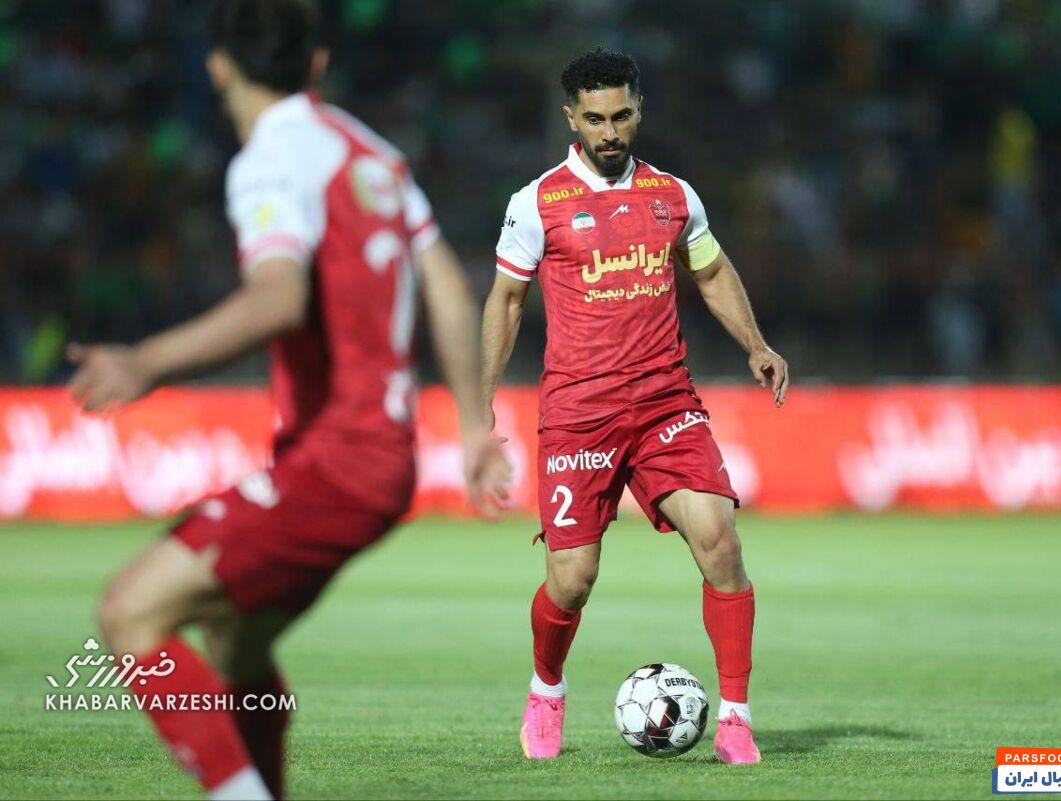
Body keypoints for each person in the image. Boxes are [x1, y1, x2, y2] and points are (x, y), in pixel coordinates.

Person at [67, 2, 508, 798]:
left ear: (218, 67)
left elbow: (277, 298)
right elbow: (446, 282)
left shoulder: (269, 161)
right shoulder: (371, 153)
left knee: (129, 613)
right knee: (235, 645)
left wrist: (147, 360)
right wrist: (476, 425)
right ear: (316, 64)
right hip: (381, 458)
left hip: (336, 459)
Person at [480, 46, 788, 765]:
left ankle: (735, 719)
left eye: (621, 116)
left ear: (639, 111)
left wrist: (755, 343)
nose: (610, 131)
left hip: (664, 405)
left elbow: (711, 270)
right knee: (572, 579)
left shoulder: (673, 195)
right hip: (579, 413)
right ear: (571, 118)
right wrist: (481, 395)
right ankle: (546, 690)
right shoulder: (537, 202)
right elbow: (507, 300)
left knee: (720, 540)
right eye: (595, 119)